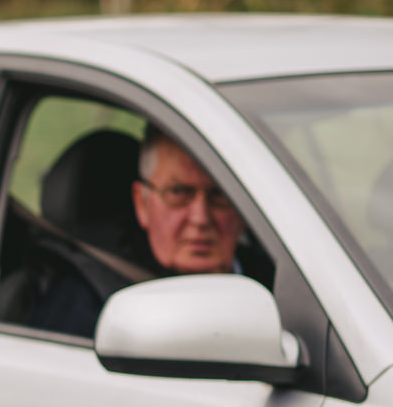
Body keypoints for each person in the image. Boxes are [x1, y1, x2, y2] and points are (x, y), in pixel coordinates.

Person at [26, 126, 249, 337]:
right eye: (178, 192)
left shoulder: (276, 270)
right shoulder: (88, 305)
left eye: (219, 194)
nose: (200, 218)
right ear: (142, 203)